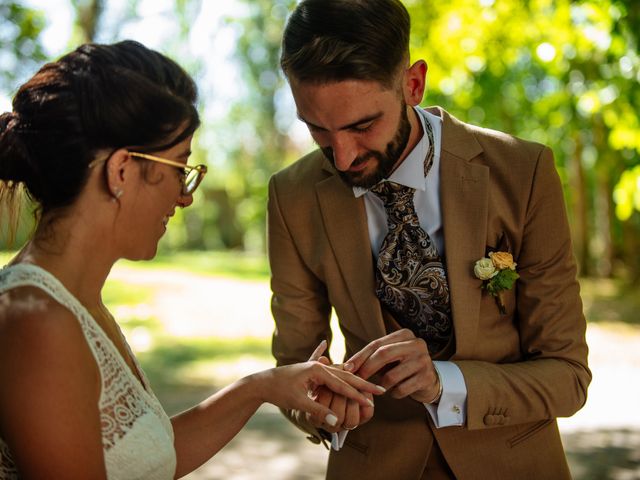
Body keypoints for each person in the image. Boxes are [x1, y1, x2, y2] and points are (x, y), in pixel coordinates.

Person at [0, 40, 386, 479]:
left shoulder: (75, 303)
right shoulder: (36, 320)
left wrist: (261, 387)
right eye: (179, 168)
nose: (184, 197)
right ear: (122, 170)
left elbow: (147, 458)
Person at [267, 0, 592, 478]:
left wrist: (445, 382)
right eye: (317, 128)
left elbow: (567, 376)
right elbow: (294, 364)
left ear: (412, 84)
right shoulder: (290, 196)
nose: (340, 157)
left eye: (362, 126)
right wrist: (324, 407)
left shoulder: (523, 173)